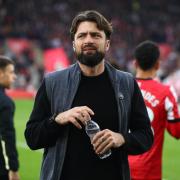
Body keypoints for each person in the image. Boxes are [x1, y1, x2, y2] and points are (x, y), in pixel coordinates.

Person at [24, 10, 153, 180]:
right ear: (74, 43)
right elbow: (32, 138)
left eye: (95, 35)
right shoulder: (52, 82)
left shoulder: (127, 83)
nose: (88, 40)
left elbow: (145, 135)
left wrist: (121, 138)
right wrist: (58, 119)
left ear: (107, 44)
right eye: (82, 35)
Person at [128, 40, 180, 180]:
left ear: (135, 64)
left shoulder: (121, 89)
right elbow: (176, 131)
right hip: (148, 172)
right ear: (157, 65)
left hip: (121, 167)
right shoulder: (165, 93)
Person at [0, 56, 20, 180]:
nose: (15, 76)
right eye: (11, 72)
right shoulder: (5, 103)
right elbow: (6, 136)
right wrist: (13, 168)